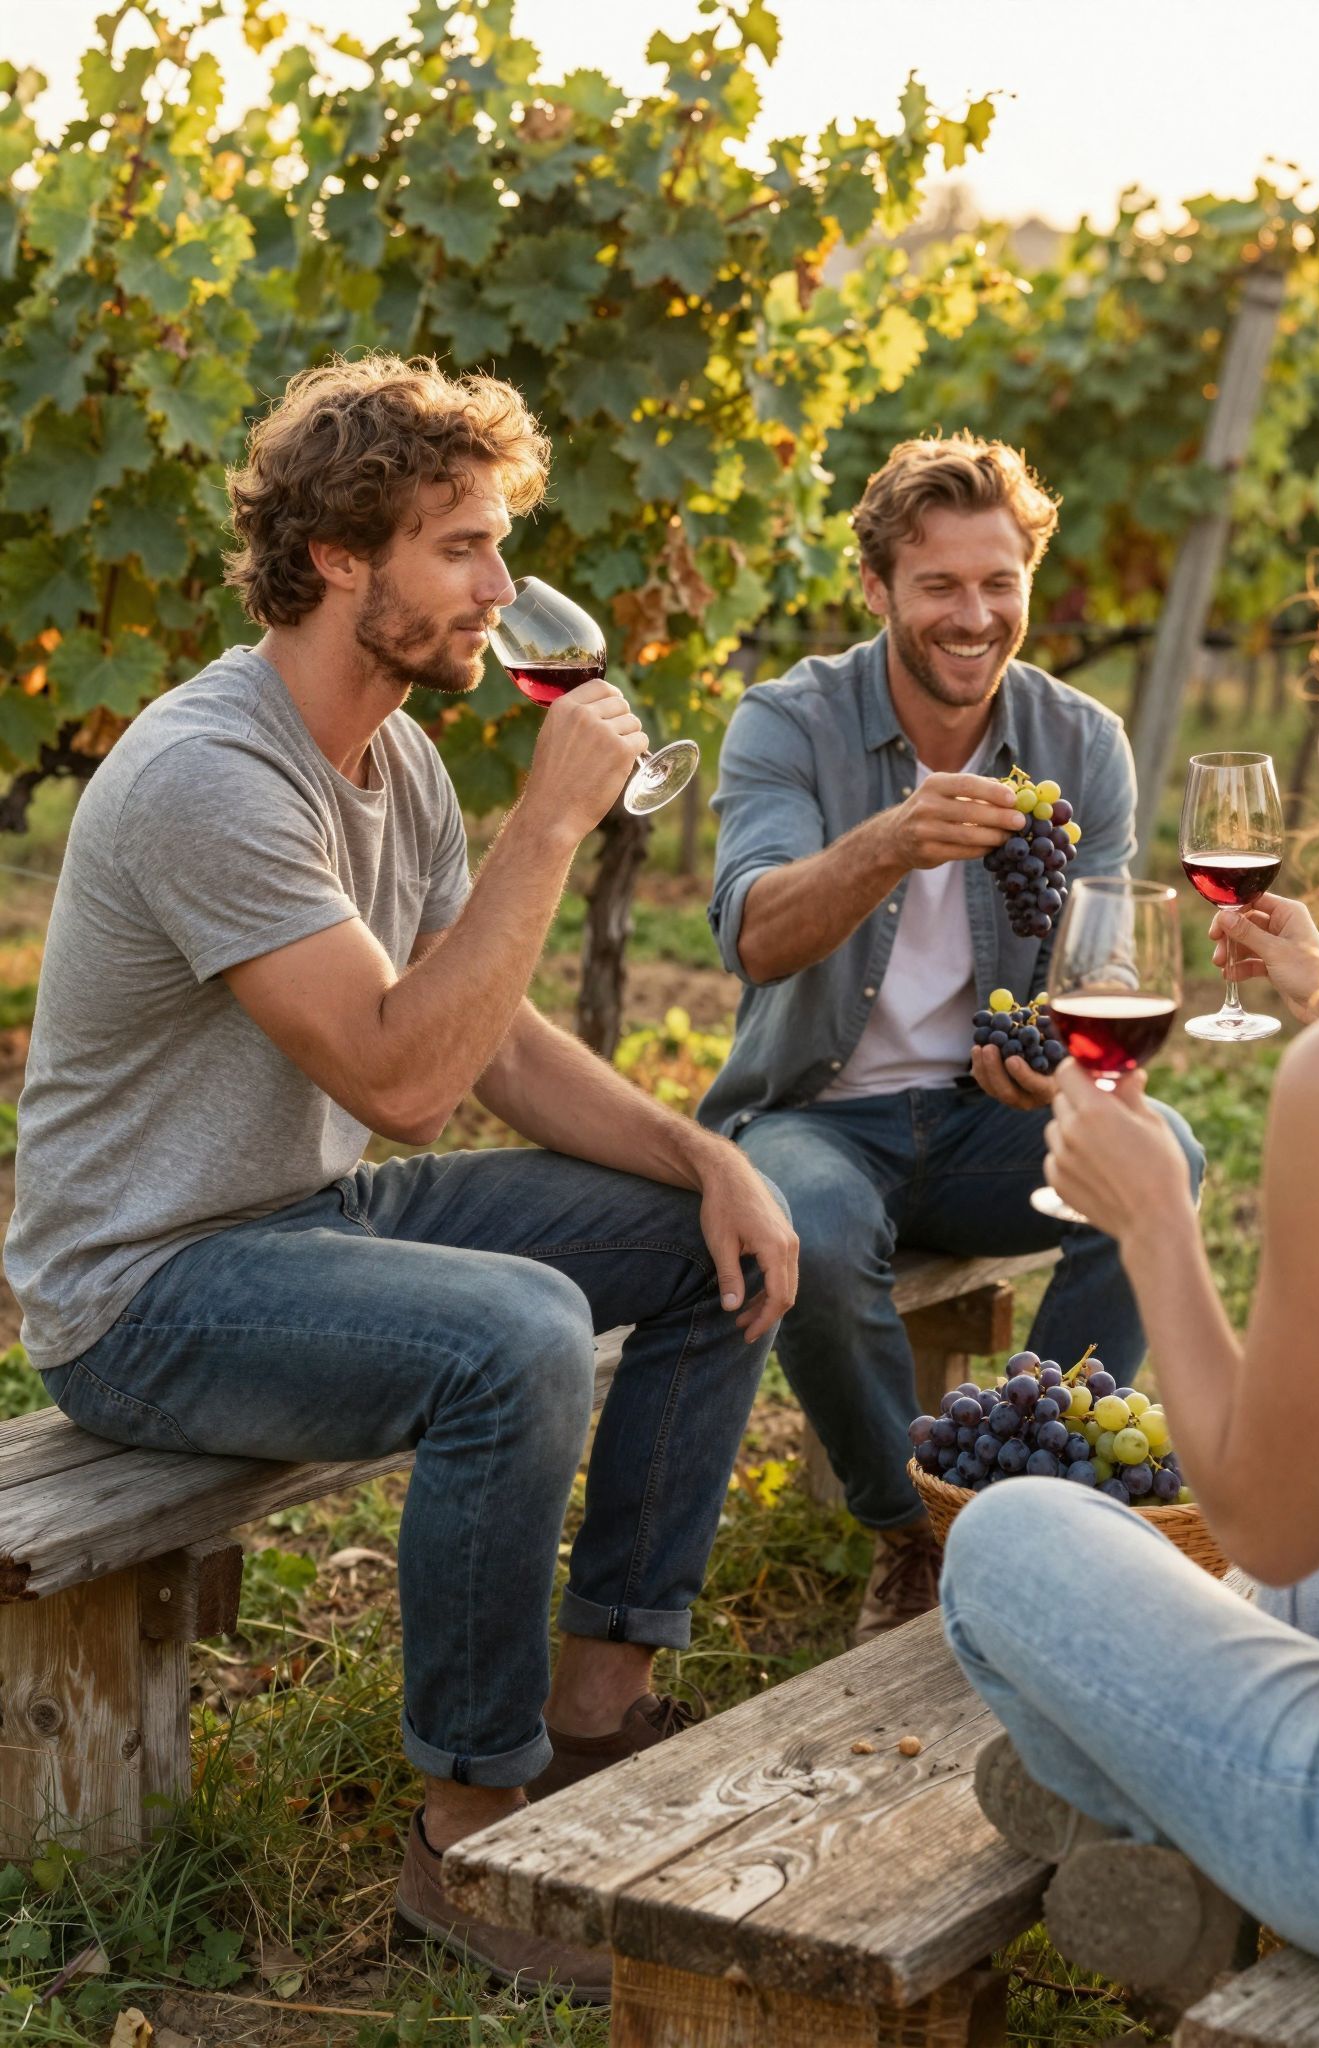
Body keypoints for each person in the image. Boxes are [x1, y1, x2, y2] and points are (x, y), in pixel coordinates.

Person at [2, 353, 798, 2002]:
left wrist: (702, 1152)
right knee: (510, 1335)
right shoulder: (210, 775)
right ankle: (470, 1829)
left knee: (700, 1240)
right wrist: (549, 827)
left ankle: (593, 1716)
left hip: (303, 1223)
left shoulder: (403, 760)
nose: (503, 591)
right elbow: (407, 1081)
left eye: (501, 547)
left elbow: (494, 1042)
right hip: (142, 1293)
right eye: (465, 548)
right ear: (339, 557)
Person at [942, 471, 1319, 2016]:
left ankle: (1156, 1838)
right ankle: (1173, 1813)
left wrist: (1153, 1222)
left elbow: (1265, 1518)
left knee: (1011, 1539)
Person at [699, 435, 1203, 1641]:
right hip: (817, 1115)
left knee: (1164, 1156)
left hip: (989, 1121)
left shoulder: (1081, 740)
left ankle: (1038, 1491)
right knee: (811, 1226)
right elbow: (754, 935)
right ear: (877, 586)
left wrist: (1063, 1062)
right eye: (938, 585)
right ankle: (915, 1530)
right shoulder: (787, 722)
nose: (974, 616)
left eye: (998, 583)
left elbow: (1108, 962)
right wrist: (891, 840)